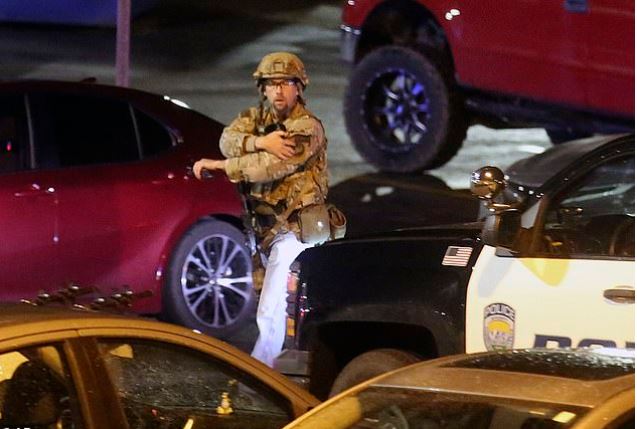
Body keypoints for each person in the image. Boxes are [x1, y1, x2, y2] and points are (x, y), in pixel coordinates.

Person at [193, 52, 328, 367]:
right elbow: (227, 139)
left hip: (297, 229)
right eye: (271, 84)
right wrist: (260, 142)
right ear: (263, 88)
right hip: (266, 229)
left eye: (286, 83)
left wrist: (221, 166)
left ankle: (261, 367)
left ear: (299, 87)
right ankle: (280, 364)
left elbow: (269, 168)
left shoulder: (307, 127)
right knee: (270, 300)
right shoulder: (257, 120)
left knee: (272, 303)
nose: (278, 90)